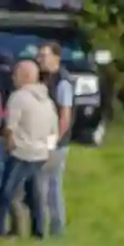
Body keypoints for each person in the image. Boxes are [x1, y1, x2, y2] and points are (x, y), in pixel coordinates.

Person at [0, 59, 57, 240]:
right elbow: (54, 130)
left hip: (21, 153)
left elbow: (10, 127)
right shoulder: (48, 101)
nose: (12, 78)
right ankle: (39, 232)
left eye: (15, 74)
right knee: (35, 196)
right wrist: (48, 151)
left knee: (5, 193)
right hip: (40, 154)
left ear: (23, 76)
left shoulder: (19, 97)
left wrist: (8, 145)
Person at [37, 42, 74, 235]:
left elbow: (65, 115)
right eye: (40, 56)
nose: (40, 59)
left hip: (55, 144)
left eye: (44, 55)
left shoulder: (63, 82)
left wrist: (55, 140)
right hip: (45, 140)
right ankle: (48, 228)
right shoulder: (45, 78)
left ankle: (54, 228)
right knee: (46, 185)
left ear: (56, 58)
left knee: (50, 186)